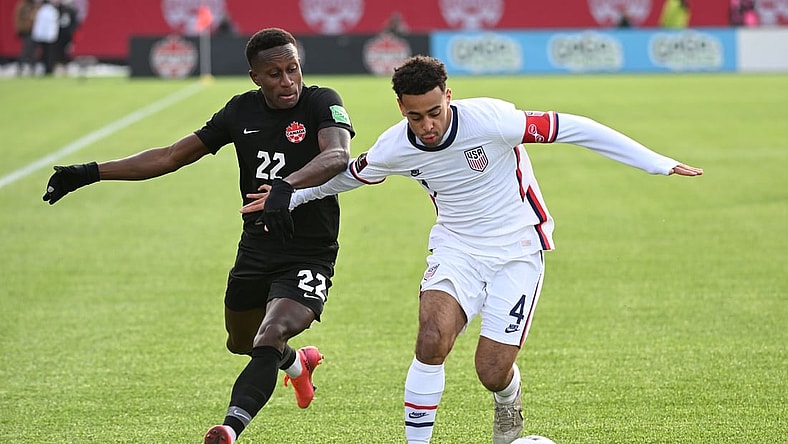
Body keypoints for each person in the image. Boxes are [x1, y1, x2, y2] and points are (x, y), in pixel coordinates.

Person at [242, 55, 703, 444]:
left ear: (448, 95)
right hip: (456, 247)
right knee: (430, 340)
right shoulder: (395, 146)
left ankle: (508, 400)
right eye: (414, 116)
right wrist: (289, 194)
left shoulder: (493, 120)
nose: (426, 125)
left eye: (434, 112)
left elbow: (576, 128)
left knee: (491, 371)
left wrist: (658, 164)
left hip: (518, 247)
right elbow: (348, 176)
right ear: (400, 107)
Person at [41, 28, 354, 444]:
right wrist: (91, 172)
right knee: (241, 342)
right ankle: (297, 365)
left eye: (292, 69)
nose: (287, 81)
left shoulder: (321, 101)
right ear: (254, 77)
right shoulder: (240, 112)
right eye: (274, 73)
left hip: (310, 251)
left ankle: (229, 429)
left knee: (270, 333)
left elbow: (337, 155)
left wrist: (286, 187)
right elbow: (171, 156)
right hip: (257, 248)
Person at [30, 0, 58, 75]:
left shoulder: (42, 11)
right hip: (49, 37)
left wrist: (37, 35)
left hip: (43, 36)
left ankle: (46, 69)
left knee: (44, 54)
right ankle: (48, 69)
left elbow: (38, 25)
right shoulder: (51, 11)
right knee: (48, 54)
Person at [13, 0, 39, 76]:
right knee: (26, 49)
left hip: (35, 31)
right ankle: (20, 67)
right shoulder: (23, 5)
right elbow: (18, 18)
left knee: (33, 50)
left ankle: (32, 68)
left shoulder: (34, 6)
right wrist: (19, 29)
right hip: (26, 30)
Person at [54, 0, 79, 75]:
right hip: (58, 35)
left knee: (67, 51)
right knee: (58, 50)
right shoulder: (58, 9)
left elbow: (74, 24)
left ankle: (65, 66)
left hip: (67, 35)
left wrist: (71, 33)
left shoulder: (72, 11)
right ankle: (58, 66)